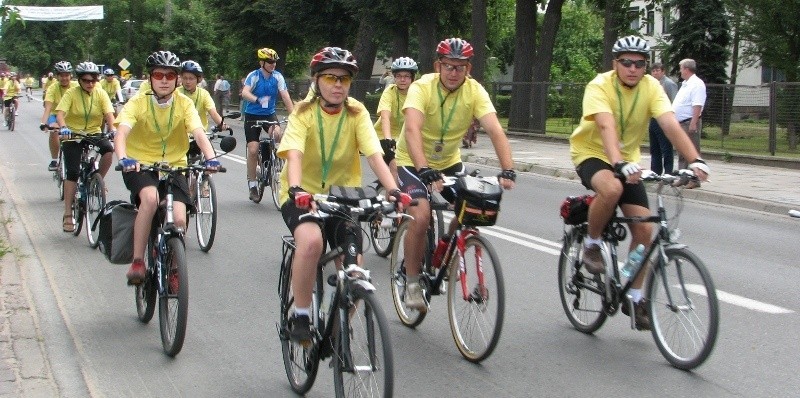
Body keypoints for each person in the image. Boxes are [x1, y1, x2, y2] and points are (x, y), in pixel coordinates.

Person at [569, 36, 710, 330]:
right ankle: (592, 245)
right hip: (593, 154)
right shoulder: (599, 85)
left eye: (640, 63)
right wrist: (617, 162)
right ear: (615, 64)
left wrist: (694, 160)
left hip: (629, 160)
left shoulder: (651, 87)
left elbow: (670, 124)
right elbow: (605, 124)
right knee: (611, 188)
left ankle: (634, 297)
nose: (633, 68)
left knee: (645, 230)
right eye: (626, 62)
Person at [277, 47, 410, 342]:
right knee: (311, 242)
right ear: (316, 80)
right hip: (303, 194)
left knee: (355, 268)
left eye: (345, 79)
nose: (338, 85)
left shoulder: (357, 112)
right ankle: (300, 314)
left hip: (343, 196)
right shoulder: (303, 113)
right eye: (331, 78)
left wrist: (393, 190)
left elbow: (375, 155)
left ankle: (340, 328)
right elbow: (294, 155)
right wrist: (297, 189)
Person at [395, 37, 517, 311]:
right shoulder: (421, 87)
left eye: (459, 67)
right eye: (448, 66)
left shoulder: (475, 91)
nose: (453, 73)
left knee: (473, 207)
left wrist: (508, 168)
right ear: (438, 65)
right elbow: (413, 128)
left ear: (468, 69)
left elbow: (496, 130)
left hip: (449, 161)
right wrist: (424, 168)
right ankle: (412, 281)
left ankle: (448, 247)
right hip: (412, 160)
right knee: (422, 215)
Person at [114, 51, 221, 285]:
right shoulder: (138, 103)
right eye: (159, 75)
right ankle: (138, 262)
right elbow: (121, 132)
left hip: (175, 166)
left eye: (170, 75)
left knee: (180, 220)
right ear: (150, 78)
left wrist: (211, 157)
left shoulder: (184, 103)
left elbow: (198, 132)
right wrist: (123, 158)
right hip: (140, 164)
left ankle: (172, 267)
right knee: (150, 199)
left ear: (177, 79)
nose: (164, 80)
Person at [55, 62, 116, 233]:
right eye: (86, 80)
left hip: (93, 133)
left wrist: (112, 129)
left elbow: (109, 115)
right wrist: (64, 127)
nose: (90, 84)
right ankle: (68, 213)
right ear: (79, 80)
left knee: (109, 150)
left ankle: (98, 182)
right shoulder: (71, 93)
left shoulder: (100, 93)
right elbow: (60, 114)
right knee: (73, 173)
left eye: (94, 80)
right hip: (73, 135)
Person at [241, 47, 295, 201]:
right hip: (252, 115)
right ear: (262, 62)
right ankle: (252, 184)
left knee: (277, 134)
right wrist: (257, 99)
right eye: (270, 62)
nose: (273, 64)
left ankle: (269, 161)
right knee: (252, 149)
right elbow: (245, 93)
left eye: (275, 62)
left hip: (269, 114)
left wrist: (294, 117)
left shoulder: (278, 77)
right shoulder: (254, 75)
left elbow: (285, 96)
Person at [374, 56, 418, 182]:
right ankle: (394, 198)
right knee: (395, 165)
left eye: (406, 76)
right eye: (399, 76)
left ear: (413, 78)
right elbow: (385, 117)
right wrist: (388, 138)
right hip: (383, 137)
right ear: (394, 77)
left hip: (405, 138)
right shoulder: (390, 91)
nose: (402, 80)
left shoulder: (417, 93)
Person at [40, 61, 79, 171]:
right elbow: (47, 107)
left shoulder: (76, 86)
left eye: (66, 75)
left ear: (71, 75)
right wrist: (43, 123)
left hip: (72, 115)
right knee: (54, 131)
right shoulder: (53, 88)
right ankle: (55, 160)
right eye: (61, 75)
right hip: (55, 115)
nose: (64, 78)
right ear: (57, 76)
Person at [672, 58, 706, 169]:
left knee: (692, 151)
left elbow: (697, 104)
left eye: (681, 68)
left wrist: (693, 123)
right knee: (682, 152)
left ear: (686, 69)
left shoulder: (697, 84)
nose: (680, 71)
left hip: (689, 122)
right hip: (681, 123)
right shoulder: (686, 83)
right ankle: (683, 176)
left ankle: (694, 178)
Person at [178, 60, 227, 133]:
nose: (187, 82)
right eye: (185, 78)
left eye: (191, 78)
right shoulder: (176, 93)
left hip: (199, 135)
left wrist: (222, 124)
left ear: (198, 79)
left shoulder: (204, 94)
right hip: (180, 136)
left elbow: (213, 112)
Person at [648, 63, 679, 175]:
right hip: (653, 119)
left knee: (666, 148)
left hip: (664, 119)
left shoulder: (668, 83)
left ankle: (668, 172)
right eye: (653, 71)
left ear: (663, 71)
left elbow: (674, 101)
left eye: (657, 70)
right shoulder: (652, 84)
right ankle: (655, 172)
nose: (655, 73)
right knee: (654, 148)